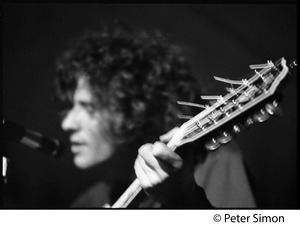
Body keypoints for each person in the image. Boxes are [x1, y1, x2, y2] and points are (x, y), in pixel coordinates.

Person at [53, 21, 256, 208]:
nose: (67, 123)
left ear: (132, 103)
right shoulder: (91, 203)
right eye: (69, 107)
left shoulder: (214, 161)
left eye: (87, 106)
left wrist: (184, 199)